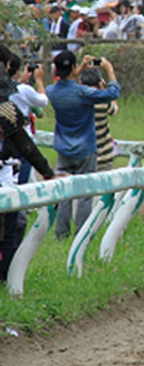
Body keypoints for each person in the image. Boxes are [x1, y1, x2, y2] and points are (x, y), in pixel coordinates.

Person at [46, 52, 121, 241]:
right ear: (73, 68)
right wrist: (109, 70)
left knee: (65, 193)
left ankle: (61, 234)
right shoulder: (84, 93)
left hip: (63, 148)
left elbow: (64, 85)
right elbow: (113, 94)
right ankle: (82, 234)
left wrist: (78, 70)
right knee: (85, 195)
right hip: (86, 149)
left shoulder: (52, 92)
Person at [0, 46, 56, 282]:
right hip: (4, 177)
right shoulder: (6, 109)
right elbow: (25, 145)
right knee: (10, 231)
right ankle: (6, 281)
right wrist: (48, 173)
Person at [79, 68, 119, 172]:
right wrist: (105, 90)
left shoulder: (77, 101)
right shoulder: (102, 102)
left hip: (83, 157)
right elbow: (115, 110)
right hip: (104, 157)